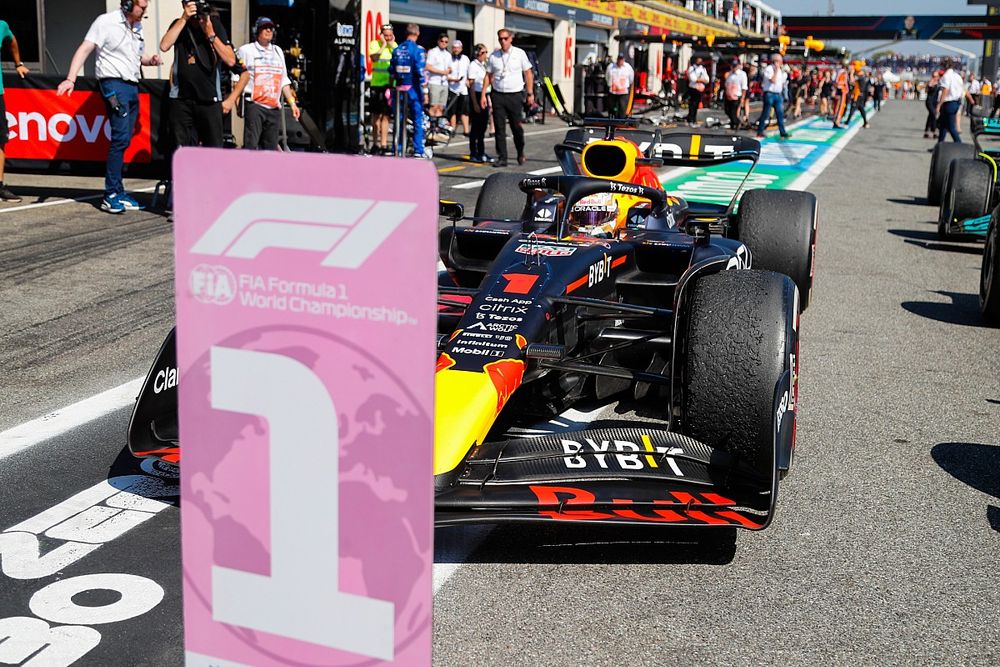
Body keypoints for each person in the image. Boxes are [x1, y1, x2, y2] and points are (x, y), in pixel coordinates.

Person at [57, 0, 162, 213]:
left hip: (132, 85)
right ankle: (111, 194)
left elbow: (137, 56)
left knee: (124, 140)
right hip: (113, 85)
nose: (145, 10)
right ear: (128, 4)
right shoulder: (105, 21)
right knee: (120, 139)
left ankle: (118, 191)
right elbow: (85, 48)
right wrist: (70, 78)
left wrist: (150, 60)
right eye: (142, 6)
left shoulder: (137, 27)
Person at [159, 0, 237, 148]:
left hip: (209, 98)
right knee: (180, 147)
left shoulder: (213, 24)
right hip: (182, 98)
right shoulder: (179, 24)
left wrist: (210, 34)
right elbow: (164, 45)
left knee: (213, 148)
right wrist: (184, 18)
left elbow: (231, 60)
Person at [231, 17, 300, 150]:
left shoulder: (278, 51)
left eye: (271, 28)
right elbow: (235, 78)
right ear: (257, 31)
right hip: (254, 105)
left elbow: (284, 80)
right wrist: (237, 103)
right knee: (251, 146)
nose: (269, 30)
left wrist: (292, 104)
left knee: (270, 148)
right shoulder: (246, 50)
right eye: (265, 28)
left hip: (273, 107)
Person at [481, 28, 534, 167]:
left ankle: (520, 152)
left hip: (515, 95)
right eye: (500, 39)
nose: (503, 41)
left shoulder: (519, 53)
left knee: (516, 127)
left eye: (505, 38)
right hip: (498, 94)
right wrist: (483, 94)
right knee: (499, 128)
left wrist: (530, 93)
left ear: (511, 39)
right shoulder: (494, 56)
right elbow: (488, 76)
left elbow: (528, 73)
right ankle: (502, 157)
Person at [0, 19, 30, 203]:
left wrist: (18, 63)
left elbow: (11, 40)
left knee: (0, 139)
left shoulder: (1, 25)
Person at [389, 23, 428, 158]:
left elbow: (391, 71)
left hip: (399, 89)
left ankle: (397, 147)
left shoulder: (397, 50)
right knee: (417, 120)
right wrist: (425, 91)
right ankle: (418, 149)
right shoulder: (418, 50)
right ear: (417, 34)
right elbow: (420, 71)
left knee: (399, 120)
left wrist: (391, 89)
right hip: (413, 89)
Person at [367, 23, 396, 154]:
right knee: (376, 116)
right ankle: (375, 144)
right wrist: (383, 45)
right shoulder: (375, 44)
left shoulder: (394, 46)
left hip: (389, 85)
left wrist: (391, 45)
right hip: (377, 85)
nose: (388, 38)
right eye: (386, 36)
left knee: (386, 116)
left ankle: (384, 144)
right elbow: (374, 58)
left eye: (390, 35)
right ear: (381, 35)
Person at [937, 58, 976, 143]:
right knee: (943, 125)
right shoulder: (957, 76)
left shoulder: (946, 76)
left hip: (948, 103)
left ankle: (959, 143)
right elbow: (962, 89)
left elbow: (945, 90)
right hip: (956, 102)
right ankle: (940, 144)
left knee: (951, 127)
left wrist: (939, 104)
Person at [467, 43, 490, 163]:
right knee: (476, 126)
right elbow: (471, 85)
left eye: (486, 52)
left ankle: (481, 151)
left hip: (484, 95)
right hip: (476, 95)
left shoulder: (484, 65)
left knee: (483, 126)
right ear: (477, 54)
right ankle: (473, 153)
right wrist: (475, 103)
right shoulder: (473, 65)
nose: (485, 55)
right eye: (482, 53)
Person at [756, 53, 788, 139]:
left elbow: (782, 83)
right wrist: (776, 70)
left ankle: (782, 132)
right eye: (779, 61)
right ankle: (760, 131)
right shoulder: (769, 69)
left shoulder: (781, 71)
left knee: (780, 114)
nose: (781, 63)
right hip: (769, 93)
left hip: (778, 94)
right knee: (765, 113)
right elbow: (772, 80)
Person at [425, 33, 451, 122]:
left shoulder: (448, 54)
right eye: (442, 41)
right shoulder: (433, 52)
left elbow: (449, 67)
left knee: (441, 107)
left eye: (446, 42)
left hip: (444, 83)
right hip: (435, 82)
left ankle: (437, 126)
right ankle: (432, 125)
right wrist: (442, 72)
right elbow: (428, 67)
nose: (444, 43)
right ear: (438, 41)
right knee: (434, 106)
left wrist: (449, 70)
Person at [447, 39, 469, 135]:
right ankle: (452, 129)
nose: (456, 50)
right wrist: (453, 79)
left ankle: (466, 130)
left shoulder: (465, 59)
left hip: (463, 88)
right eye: (454, 48)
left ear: (461, 49)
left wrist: (468, 81)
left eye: (458, 48)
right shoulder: (449, 59)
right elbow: (445, 74)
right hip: (452, 88)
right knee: (452, 110)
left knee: (465, 110)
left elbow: (468, 72)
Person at [605, 53, 634, 118]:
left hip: (623, 92)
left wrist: (626, 86)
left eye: (621, 59)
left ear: (624, 60)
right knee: (611, 107)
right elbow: (607, 77)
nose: (620, 61)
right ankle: (611, 119)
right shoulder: (611, 67)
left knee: (622, 107)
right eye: (619, 59)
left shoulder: (628, 67)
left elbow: (631, 78)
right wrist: (609, 85)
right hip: (613, 91)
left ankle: (621, 120)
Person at [723, 58, 747, 130]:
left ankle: (736, 123)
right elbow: (726, 84)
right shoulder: (729, 74)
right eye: (732, 65)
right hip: (728, 95)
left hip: (736, 95)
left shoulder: (742, 74)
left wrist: (742, 98)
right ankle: (734, 122)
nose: (733, 67)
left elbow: (744, 87)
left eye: (735, 65)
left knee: (733, 111)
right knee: (727, 110)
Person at [685, 56, 709, 126]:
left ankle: (694, 118)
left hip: (700, 89)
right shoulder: (692, 68)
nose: (700, 62)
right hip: (693, 88)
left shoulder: (703, 69)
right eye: (698, 60)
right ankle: (690, 119)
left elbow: (707, 79)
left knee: (696, 105)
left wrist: (700, 80)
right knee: (692, 104)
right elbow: (693, 79)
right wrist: (701, 80)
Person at [832, 60, 850, 128]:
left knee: (840, 106)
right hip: (842, 90)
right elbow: (838, 81)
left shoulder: (842, 71)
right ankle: (837, 121)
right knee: (840, 106)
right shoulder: (842, 72)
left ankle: (837, 120)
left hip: (842, 90)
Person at [924, 72, 940, 138]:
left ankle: (927, 131)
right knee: (933, 114)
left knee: (931, 115)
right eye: (933, 76)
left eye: (936, 76)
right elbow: (926, 91)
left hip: (935, 102)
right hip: (929, 101)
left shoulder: (939, 83)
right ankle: (934, 131)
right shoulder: (930, 82)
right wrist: (930, 85)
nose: (934, 77)